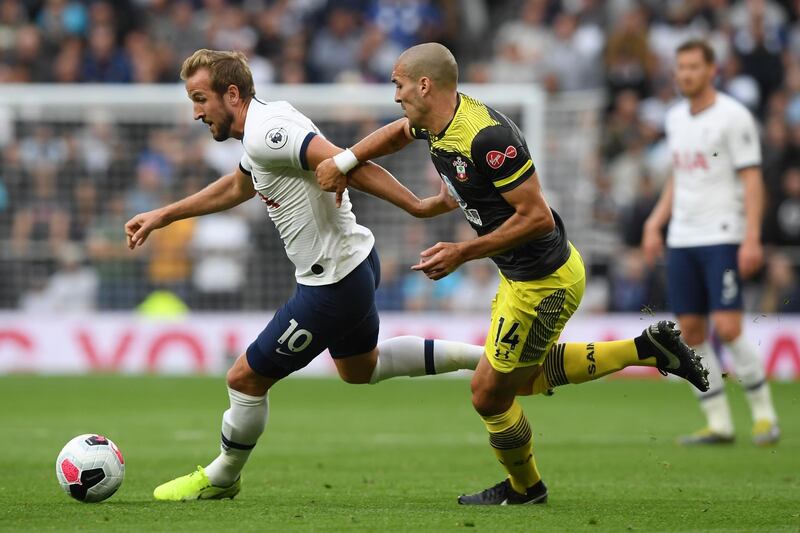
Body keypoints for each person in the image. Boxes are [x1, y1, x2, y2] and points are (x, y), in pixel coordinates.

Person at [315, 42, 709, 505]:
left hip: (544, 282)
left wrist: (464, 252)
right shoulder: (436, 123)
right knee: (514, 382)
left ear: (425, 85)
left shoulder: (487, 138)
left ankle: (527, 489)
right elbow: (397, 135)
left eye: (399, 85)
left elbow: (538, 217)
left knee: (487, 394)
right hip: (522, 278)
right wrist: (345, 162)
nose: (396, 95)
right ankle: (646, 349)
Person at [124, 49, 486, 501]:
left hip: (332, 283)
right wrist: (166, 214)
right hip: (353, 266)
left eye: (200, 98)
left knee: (244, 379)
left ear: (231, 94)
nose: (196, 112)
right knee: (360, 369)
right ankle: (487, 358)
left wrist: (416, 205)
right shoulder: (262, 127)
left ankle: (223, 477)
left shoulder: (268, 134)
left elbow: (344, 162)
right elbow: (240, 184)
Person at [642, 40, 780, 446]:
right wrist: (654, 223)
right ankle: (718, 422)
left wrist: (752, 235)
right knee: (691, 330)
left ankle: (765, 416)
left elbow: (753, 180)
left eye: (692, 67)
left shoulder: (733, 117)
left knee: (729, 325)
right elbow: (678, 177)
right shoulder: (675, 119)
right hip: (683, 236)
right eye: (680, 67)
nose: (684, 74)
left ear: (711, 70)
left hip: (723, 233)